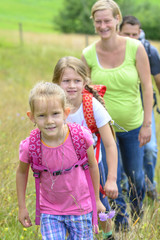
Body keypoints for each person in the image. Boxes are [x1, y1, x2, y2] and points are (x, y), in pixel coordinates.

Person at [81, 0, 153, 231]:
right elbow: (85, 92)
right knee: (110, 180)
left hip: (133, 127)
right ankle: (122, 222)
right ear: (94, 23)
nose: (103, 25)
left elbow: (147, 86)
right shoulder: (88, 54)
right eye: (98, 21)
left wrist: (147, 124)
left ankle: (138, 211)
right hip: (103, 130)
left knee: (136, 177)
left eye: (107, 20)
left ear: (117, 19)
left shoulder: (135, 48)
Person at [16, 82, 106, 240]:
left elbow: (92, 165)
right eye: (42, 115)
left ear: (66, 113)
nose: (49, 121)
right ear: (32, 117)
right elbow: (21, 172)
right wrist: (22, 207)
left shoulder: (80, 137)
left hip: (81, 208)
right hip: (50, 211)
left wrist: (97, 200)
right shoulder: (31, 146)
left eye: (55, 114)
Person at [52, 56, 118, 240]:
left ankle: (108, 235)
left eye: (77, 81)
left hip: (92, 168)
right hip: (63, 170)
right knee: (66, 208)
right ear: (57, 82)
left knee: (100, 206)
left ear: (85, 82)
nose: (71, 85)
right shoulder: (53, 106)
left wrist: (111, 179)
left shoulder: (92, 106)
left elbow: (110, 144)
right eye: (66, 81)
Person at [119, 15, 160, 200]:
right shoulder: (113, 50)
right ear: (119, 31)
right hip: (121, 110)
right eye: (126, 33)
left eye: (134, 34)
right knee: (122, 152)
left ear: (140, 32)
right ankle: (127, 188)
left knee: (150, 148)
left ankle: (149, 184)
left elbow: (157, 80)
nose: (131, 38)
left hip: (144, 109)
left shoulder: (148, 51)